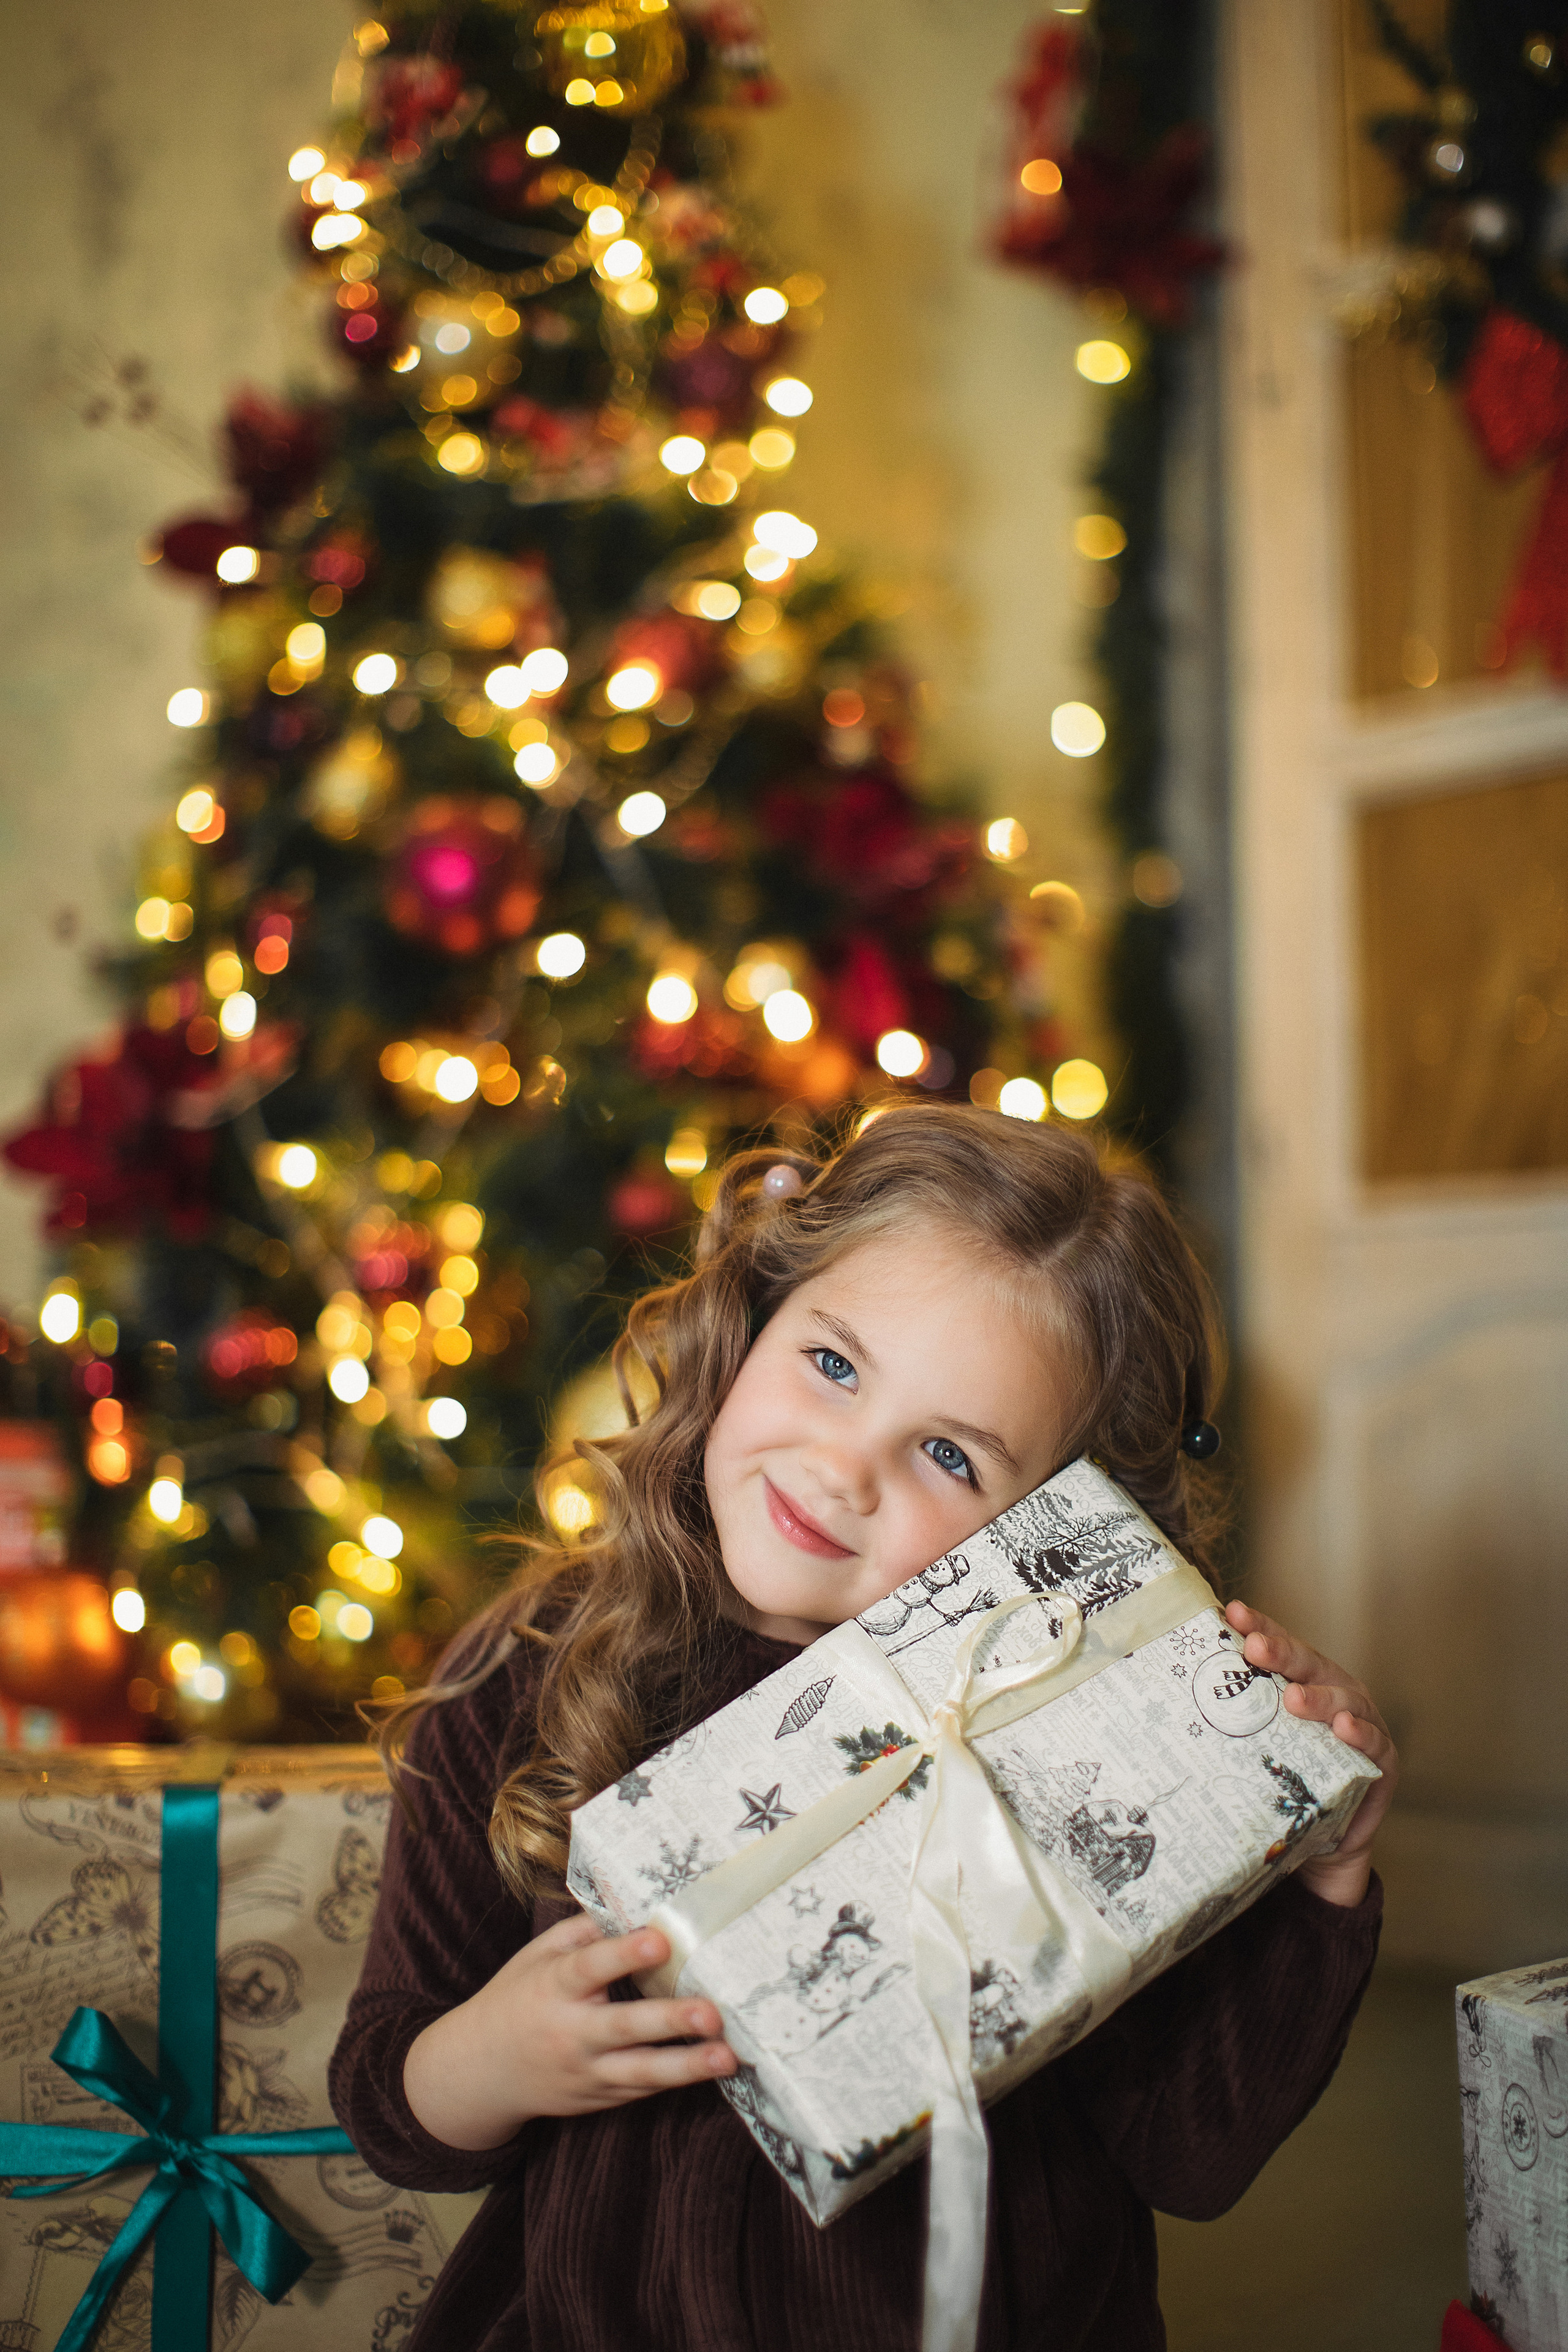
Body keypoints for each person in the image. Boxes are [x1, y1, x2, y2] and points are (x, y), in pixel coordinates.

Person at [330, 1103, 1398, 2351]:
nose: (843, 1469)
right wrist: (501, 2057)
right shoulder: (525, 1678)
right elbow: (387, 2102)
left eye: (947, 1454)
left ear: (1065, 1520)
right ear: (749, 1325)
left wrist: (1320, 1858)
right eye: (832, 1366)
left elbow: (1192, 2154)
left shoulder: (1078, 1738)